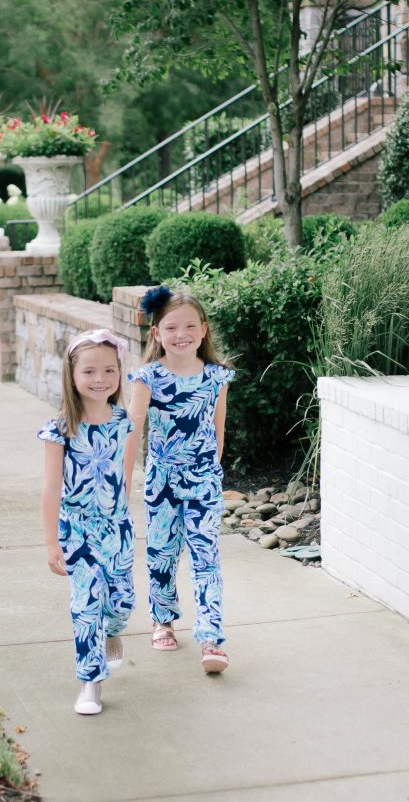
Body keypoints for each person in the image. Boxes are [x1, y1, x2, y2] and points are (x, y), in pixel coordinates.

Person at [124, 285, 235, 674]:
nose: (181, 334)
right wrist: (124, 485)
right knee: (162, 554)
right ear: (157, 334)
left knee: (207, 557)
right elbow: (133, 433)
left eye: (190, 326)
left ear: (203, 330)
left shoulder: (217, 377)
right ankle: (163, 620)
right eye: (171, 327)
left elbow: (218, 431)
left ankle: (211, 637)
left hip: (204, 482)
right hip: (163, 483)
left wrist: (211, 473)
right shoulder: (147, 378)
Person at [39, 328, 136, 716]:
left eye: (109, 371)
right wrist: (51, 542)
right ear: (72, 376)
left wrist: (122, 512)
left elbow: (122, 473)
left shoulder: (122, 420)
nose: (100, 380)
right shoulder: (60, 429)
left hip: (117, 528)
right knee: (86, 605)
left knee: (121, 602)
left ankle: (113, 631)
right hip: (77, 530)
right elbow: (49, 489)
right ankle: (90, 682)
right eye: (90, 372)